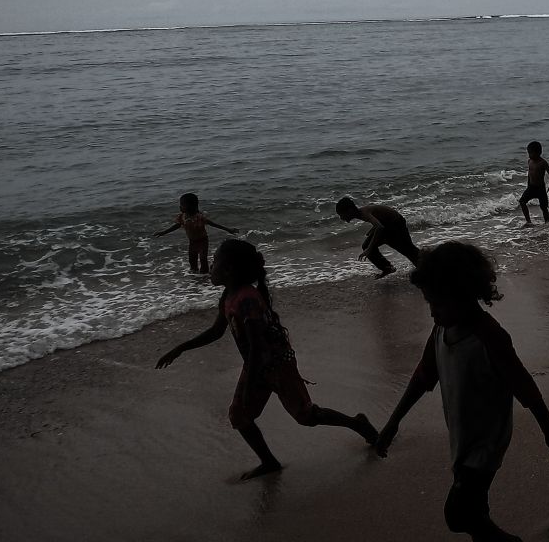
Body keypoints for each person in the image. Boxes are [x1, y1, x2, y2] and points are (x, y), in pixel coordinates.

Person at [374, 242, 549, 542]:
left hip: (486, 442)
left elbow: (523, 385)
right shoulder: (441, 330)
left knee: (458, 515)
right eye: (429, 303)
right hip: (462, 437)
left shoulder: (489, 336)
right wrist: (393, 422)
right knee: (475, 513)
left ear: (464, 294)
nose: (432, 312)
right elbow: (422, 377)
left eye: (437, 304)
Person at [155, 239, 378, 480]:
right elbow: (217, 331)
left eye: (215, 262)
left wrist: (251, 382)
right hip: (256, 364)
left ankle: (358, 423)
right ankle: (269, 462)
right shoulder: (228, 296)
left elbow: (257, 345)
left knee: (306, 416)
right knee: (238, 415)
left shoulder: (247, 299)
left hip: (277, 365)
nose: (210, 267)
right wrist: (180, 348)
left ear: (229, 269)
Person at [335, 197, 421, 276]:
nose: (341, 217)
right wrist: (372, 231)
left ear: (349, 211)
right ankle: (387, 268)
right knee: (367, 246)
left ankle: (425, 266)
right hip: (387, 225)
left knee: (407, 249)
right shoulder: (360, 213)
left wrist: (369, 248)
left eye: (341, 214)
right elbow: (379, 220)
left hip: (396, 223)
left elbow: (380, 227)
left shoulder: (364, 213)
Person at [154, 193, 238, 273]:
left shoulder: (199, 217)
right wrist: (163, 232)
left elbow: (213, 224)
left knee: (203, 259)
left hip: (203, 241)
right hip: (192, 242)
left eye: (182, 205)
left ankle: (204, 276)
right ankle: (195, 277)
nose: (180, 207)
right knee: (192, 260)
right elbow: (176, 226)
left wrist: (228, 229)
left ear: (190, 206)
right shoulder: (182, 217)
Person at [517, 141, 549, 226]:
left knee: (544, 207)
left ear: (538, 153)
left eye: (530, 153)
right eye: (528, 153)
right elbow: (529, 174)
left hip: (540, 188)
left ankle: (547, 222)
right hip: (531, 187)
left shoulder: (543, 162)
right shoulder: (529, 161)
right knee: (522, 202)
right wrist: (528, 185)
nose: (529, 155)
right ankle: (528, 221)